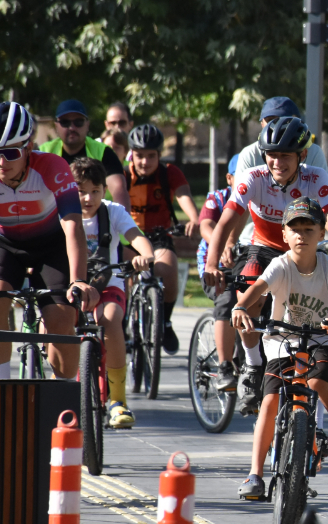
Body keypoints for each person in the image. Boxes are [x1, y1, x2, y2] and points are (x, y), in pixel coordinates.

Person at [202, 116, 328, 406]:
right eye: (272, 155)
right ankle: (252, 363)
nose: (278, 162)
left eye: (285, 156)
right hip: (263, 248)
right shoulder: (252, 176)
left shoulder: (314, 176)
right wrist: (212, 264)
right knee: (247, 297)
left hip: (303, 250)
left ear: (301, 156)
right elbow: (225, 222)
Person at [233, 197, 328, 500]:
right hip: (282, 342)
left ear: (321, 234)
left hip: (321, 340)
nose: (301, 235)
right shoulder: (280, 265)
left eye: (308, 228)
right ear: (284, 235)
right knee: (269, 402)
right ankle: (255, 475)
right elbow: (258, 288)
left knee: (316, 380)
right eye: (294, 229)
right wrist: (240, 306)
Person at [0, 102, 100, 380]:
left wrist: (78, 280)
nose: (1, 162)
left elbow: (72, 225)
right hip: (1, 242)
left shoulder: (52, 166)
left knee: (61, 317)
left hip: (50, 244)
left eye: (10, 153)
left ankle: (62, 397)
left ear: (29, 146)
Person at [72, 157, 156, 429]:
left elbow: (135, 235)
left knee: (111, 317)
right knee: (57, 322)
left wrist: (146, 254)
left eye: (95, 191)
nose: (88, 197)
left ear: (104, 191)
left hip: (109, 281)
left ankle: (117, 401)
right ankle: (63, 389)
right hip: (73, 283)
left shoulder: (113, 212)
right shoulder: (61, 212)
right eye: (81, 190)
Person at [125, 123, 201, 354]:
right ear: (131, 155)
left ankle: (165, 322)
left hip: (159, 236)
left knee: (167, 270)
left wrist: (194, 218)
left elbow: (183, 195)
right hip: (129, 236)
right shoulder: (122, 174)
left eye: (151, 156)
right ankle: (124, 325)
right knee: (125, 277)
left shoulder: (169, 173)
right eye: (139, 156)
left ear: (159, 155)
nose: (144, 162)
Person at [198, 154, 242, 380]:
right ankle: (224, 366)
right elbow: (205, 225)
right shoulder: (217, 198)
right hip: (216, 265)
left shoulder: (262, 197)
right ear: (229, 178)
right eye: (241, 176)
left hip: (248, 264)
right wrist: (223, 244)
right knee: (226, 297)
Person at [41, 99, 131, 207]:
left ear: (87, 125)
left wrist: (122, 222)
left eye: (78, 122)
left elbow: (119, 190)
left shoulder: (103, 152)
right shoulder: (43, 152)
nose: (72, 127)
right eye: (65, 122)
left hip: (97, 218)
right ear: (56, 126)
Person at [233, 97, 328, 173]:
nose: (276, 125)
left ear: (303, 155)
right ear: (262, 124)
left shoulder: (314, 153)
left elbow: (321, 196)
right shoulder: (249, 154)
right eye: (270, 120)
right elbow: (240, 197)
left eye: (282, 120)